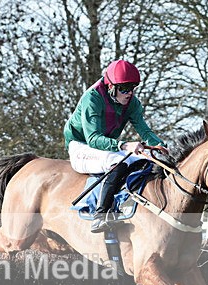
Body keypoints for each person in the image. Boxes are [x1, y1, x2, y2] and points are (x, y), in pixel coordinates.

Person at [64, 59, 168, 233]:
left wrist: (160, 146)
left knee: (145, 162)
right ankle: (100, 216)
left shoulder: (132, 103)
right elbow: (94, 139)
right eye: (124, 89)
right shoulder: (93, 98)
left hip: (105, 147)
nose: (129, 94)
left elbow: (144, 131)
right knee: (118, 163)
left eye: (133, 88)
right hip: (81, 146)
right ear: (111, 87)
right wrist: (125, 145)